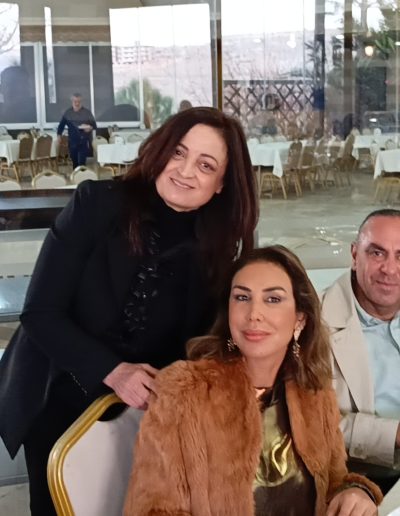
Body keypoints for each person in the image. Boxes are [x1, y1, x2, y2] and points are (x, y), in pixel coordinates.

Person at [0, 107, 258, 516]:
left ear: (222, 183)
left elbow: (204, 342)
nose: (185, 171)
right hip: (60, 392)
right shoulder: (96, 204)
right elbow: (40, 312)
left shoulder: (219, 248)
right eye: (178, 153)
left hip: (145, 413)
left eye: (205, 165)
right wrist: (114, 371)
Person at [124, 245, 382, 516]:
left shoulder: (314, 391)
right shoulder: (183, 392)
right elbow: (151, 510)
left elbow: (334, 483)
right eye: (242, 297)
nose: (254, 313)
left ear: (300, 319)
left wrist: (356, 491)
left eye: (273, 299)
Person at [321, 209, 400, 494]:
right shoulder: (313, 325)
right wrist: (394, 434)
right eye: (377, 253)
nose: (389, 269)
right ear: (355, 256)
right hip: (357, 481)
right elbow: (311, 423)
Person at [57, 93, 97, 169]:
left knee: (82, 163)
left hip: (84, 141)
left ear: (81, 102)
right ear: (72, 101)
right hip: (72, 141)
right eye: (75, 101)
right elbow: (61, 125)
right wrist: (59, 135)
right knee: (75, 163)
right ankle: (75, 175)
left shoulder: (87, 112)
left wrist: (89, 128)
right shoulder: (68, 113)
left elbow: (94, 125)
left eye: (79, 101)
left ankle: (82, 175)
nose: (77, 103)